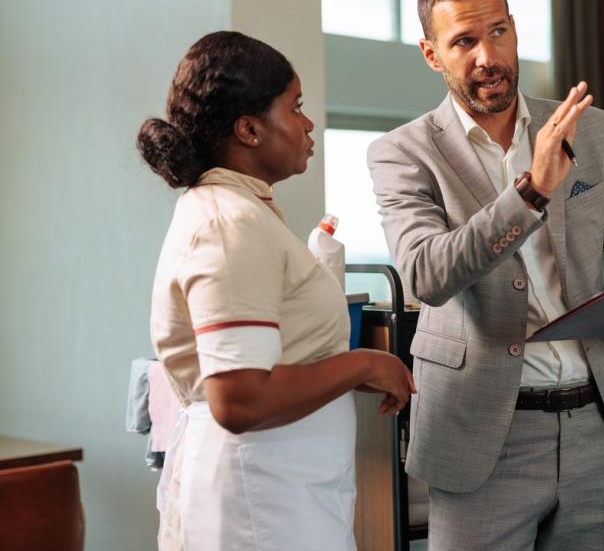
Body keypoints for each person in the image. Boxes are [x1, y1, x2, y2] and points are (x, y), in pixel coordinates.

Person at [367, 0, 604, 551]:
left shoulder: (590, 130)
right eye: (463, 41)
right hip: (482, 434)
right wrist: (530, 190)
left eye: (498, 32)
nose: (487, 56)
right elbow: (427, 274)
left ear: (514, 29)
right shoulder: (402, 153)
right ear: (431, 54)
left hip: (599, 427)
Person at [137, 31, 415, 551]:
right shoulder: (228, 223)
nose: (309, 124)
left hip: (283, 484)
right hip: (260, 496)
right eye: (297, 107)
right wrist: (364, 364)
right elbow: (239, 399)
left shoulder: (242, 211)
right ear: (249, 129)